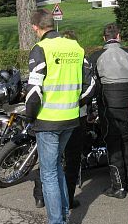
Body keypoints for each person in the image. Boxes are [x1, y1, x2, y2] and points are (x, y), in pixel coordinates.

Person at [26, 9, 93, 224]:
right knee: (57, 169)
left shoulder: (41, 49)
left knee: (49, 175)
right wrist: (75, 104)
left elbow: (33, 93)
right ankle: (65, 223)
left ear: (36, 27)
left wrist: (29, 116)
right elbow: (90, 85)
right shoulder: (76, 48)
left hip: (47, 121)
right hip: (70, 118)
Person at [32, 30, 94, 211]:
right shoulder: (79, 55)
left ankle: (42, 195)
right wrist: (76, 101)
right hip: (75, 116)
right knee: (69, 162)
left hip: (50, 116)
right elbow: (91, 86)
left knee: (50, 163)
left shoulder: (53, 52)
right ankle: (65, 200)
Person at [89, 23, 128, 199]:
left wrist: (91, 108)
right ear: (119, 36)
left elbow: (93, 86)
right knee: (126, 142)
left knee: (113, 144)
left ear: (104, 38)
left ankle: (118, 187)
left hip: (108, 106)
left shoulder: (96, 56)